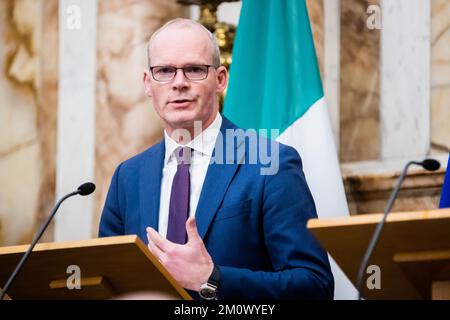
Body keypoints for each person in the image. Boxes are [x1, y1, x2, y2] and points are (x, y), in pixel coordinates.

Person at [99, 18, 334, 300]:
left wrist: (211, 278)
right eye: (164, 71)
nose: (179, 83)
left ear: (220, 79)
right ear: (148, 83)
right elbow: (108, 281)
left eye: (195, 69)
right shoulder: (128, 176)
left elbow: (315, 286)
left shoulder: (270, 162)